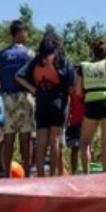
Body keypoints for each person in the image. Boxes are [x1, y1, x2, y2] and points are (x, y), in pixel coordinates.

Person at [16, 30, 74, 177]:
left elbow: (19, 76)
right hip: (57, 101)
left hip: (41, 101)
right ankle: (53, 175)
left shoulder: (36, 61)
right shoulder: (62, 60)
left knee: (41, 140)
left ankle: (40, 175)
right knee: (55, 140)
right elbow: (72, 86)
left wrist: (34, 90)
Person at [77, 38, 106, 173]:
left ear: (93, 51)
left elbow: (78, 90)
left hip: (92, 105)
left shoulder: (84, 67)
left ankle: (86, 173)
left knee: (85, 141)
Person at [0, 20, 36, 176]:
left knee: (8, 137)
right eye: (25, 32)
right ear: (20, 33)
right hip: (25, 96)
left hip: (6, 97)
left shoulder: (2, 54)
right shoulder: (29, 53)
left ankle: (6, 173)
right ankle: (27, 172)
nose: (27, 35)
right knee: (26, 137)